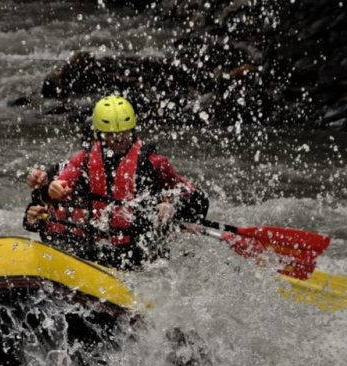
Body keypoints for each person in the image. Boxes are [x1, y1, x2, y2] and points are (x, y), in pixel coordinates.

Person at [24, 95, 209, 269]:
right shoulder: (82, 160)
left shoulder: (154, 163)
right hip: (94, 252)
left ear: (133, 130)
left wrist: (169, 204)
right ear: (98, 134)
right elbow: (58, 187)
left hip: (139, 255)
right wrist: (50, 190)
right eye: (110, 134)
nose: (118, 138)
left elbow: (196, 199)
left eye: (124, 133)